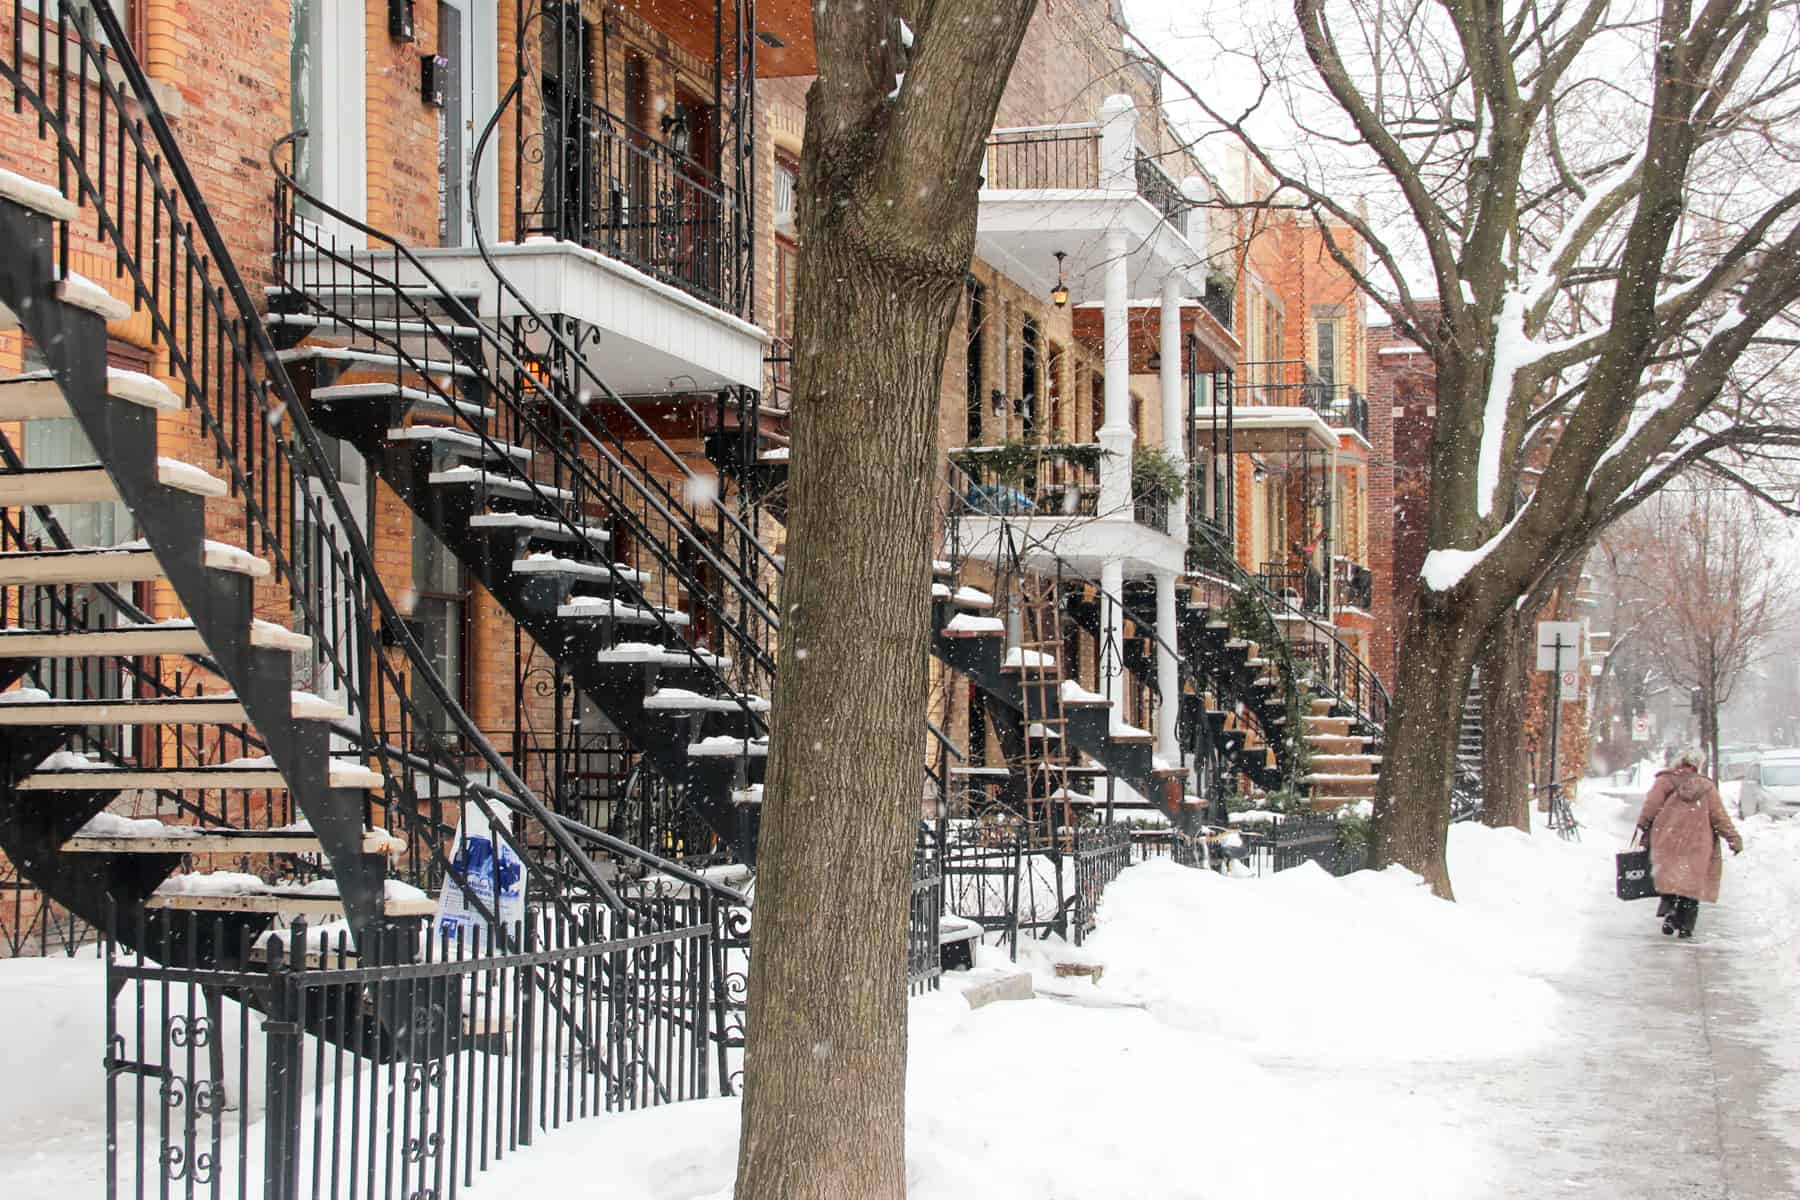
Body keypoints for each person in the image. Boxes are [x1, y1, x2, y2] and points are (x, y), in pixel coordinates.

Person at [1635, 747, 1743, 939]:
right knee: (1692, 884)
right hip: (1698, 843)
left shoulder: (1665, 781)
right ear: (1697, 765)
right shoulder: (1706, 787)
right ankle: (1686, 926)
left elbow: (1651, 806)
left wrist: (1643, 825)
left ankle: (1670, 912)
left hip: (1667, 838)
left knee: (1670, 878)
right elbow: (1719, 817)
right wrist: (1733, 838)